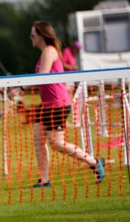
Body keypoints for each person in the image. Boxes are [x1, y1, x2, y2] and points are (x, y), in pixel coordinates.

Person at [29, 21, 104, 188]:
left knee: (57, 143)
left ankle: (94, 162)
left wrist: (19, 87)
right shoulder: (44, 53)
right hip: (46, 104)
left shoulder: (49, 51)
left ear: (42, 35)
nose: (30, 38)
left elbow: (41, 76)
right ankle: (44, 179)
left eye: (32, 34)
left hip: (58, 104)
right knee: (38, 139)